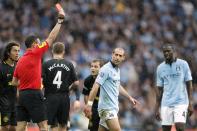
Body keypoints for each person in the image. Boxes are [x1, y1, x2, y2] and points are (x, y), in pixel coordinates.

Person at [11, 7, 66, 131]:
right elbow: (51, 38)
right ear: (34, 44)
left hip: (22, 96)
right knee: (43, 126)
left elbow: (14, 82)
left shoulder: (19, 60)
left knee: (20, 127)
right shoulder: (35, 52)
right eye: (39, 42)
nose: (40, 43)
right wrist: (59, 22)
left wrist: (26, 82)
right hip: (34, 94)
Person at [84, 47, 139, 131]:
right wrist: (89, 105)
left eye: (120, 56)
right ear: (112, 55)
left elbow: (117, 86)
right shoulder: (105, 69)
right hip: (107, 109)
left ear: (123, 58)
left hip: (112, 107)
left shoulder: (117, 70)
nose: (117, 57)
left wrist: (129, 97)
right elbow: (95, 86)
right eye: (116, 54)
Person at [42, 42, 80, 131]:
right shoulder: (69, 64)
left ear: (52, 51)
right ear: (63, 52)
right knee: (63, 125)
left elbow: (41, 82)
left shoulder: (46, 64)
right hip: (64, 97)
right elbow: (76, 83)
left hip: (50, 97)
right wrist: (74, 95)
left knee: (47, 125)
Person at [155, 44, 193, 131]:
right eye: (164, 52)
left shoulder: (183, 64)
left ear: (174, 51)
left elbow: (189, 84)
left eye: (168, 51)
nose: (166, 53)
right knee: (166, 129)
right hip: (166, 103)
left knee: (180, 127)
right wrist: (157, 107)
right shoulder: (160, 68)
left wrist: (190, 103)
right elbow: (159, 89)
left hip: (181, 102)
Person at [0, 42, 20, 131]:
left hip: (14, 104)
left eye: (18, 51)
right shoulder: (1, 68)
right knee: (5, 127)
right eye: (15, 51)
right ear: (8, 53)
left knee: (14, 128)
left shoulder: (18, 66)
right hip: (3, 103)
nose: (17, 53)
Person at [82, 59, 104, 131]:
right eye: (91, 66)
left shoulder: (106, 80)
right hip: (93, 108)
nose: (92, 68)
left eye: (95, 66)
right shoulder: (87, 80)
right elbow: (85, 94)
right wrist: (88, 107)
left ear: (101, 68)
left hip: (104, 107)